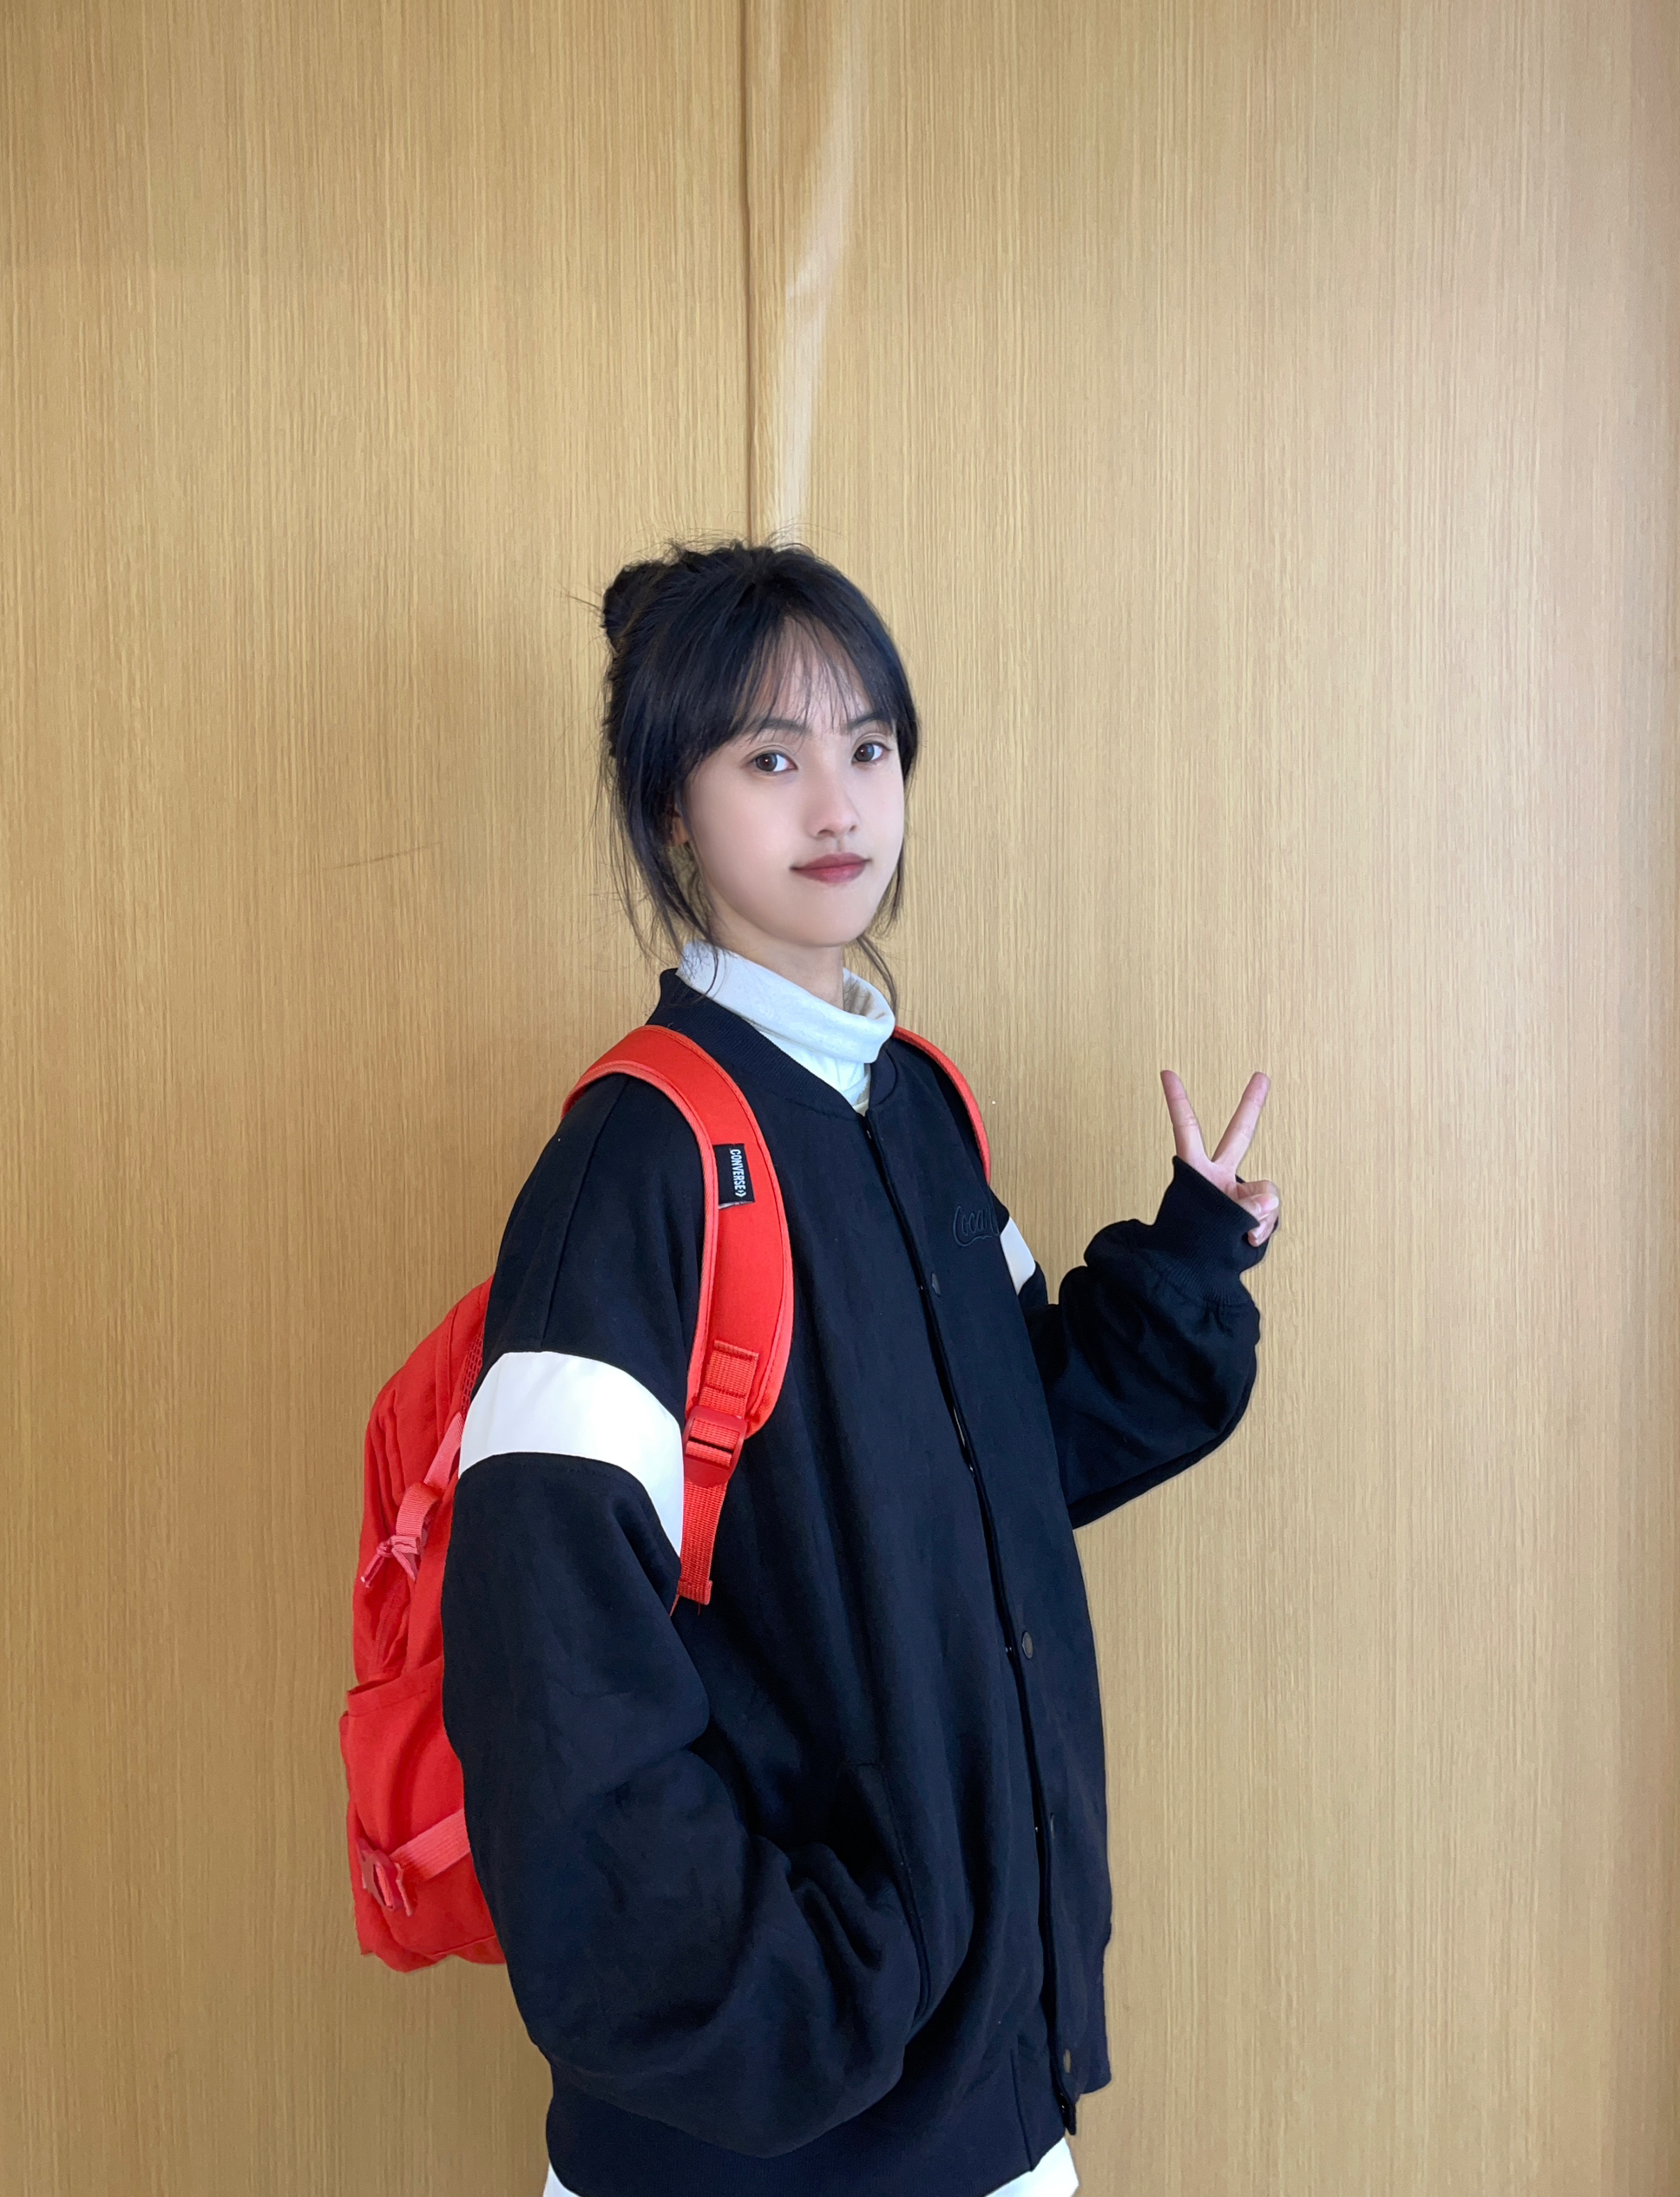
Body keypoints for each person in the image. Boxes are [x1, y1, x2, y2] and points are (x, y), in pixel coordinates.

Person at [439, 539, 1279, 2197]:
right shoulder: (641, 1162)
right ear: (672, 813)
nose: (839, 804)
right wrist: (799, 1998)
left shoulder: (914, 1110)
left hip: (984, 2081)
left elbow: (1009, 1464)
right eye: (771, 759)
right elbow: (549, 1673)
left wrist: (1188, 1263)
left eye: (869, 747)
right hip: (770, 2127)